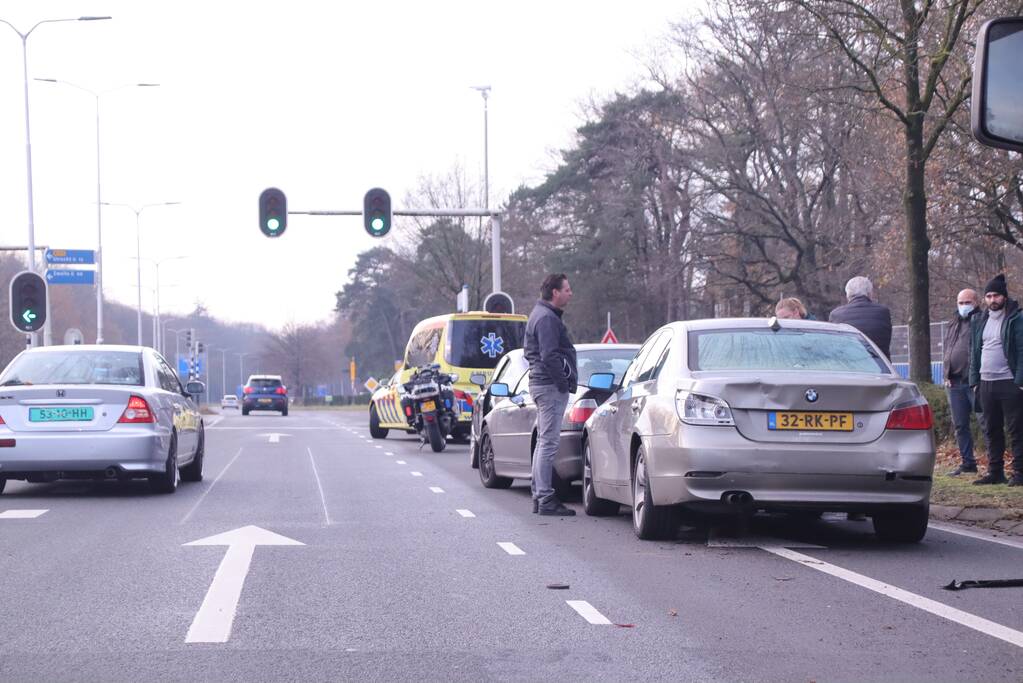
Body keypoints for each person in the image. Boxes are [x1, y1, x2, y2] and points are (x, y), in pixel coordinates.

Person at [524, 273, 578, 515]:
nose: (570, 293)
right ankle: (545, 498)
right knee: (548, 443)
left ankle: (540, 495)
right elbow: (549, 355)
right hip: (549, 386)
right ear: (555, 292)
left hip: (542, 384)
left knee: (543, 442)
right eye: (567, 289)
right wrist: (563, 383)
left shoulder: (541, 314)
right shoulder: (546, 319)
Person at [969, 274, 1023, 486]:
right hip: (985, 382)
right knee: (991, 429)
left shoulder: (1016, 319)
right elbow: (974, 352)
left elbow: (1021, 350)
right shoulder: (979, 320)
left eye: (996, 295)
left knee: (1016, 429)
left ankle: (1019, 472)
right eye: (989, 296)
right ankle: (995, 472)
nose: (992, 300)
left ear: (1004, 296)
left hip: (1009, 382)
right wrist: (974, 381)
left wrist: (1019, 381)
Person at [943, 289, 981, 476]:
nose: (964, 306)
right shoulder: (953, 323)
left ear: (976, 302)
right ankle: (968, 463)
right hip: (955, 383)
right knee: (960, 425)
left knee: (986, 423)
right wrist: (946, 373)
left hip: (975, 382)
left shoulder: (981, 321)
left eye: (968, 302)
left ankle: (995, 466)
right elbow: (948, 348)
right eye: (961, 302)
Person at [829, 276, 893, 359]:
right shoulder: (883, 312)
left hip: (849, 365)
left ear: (848, 295)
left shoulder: (836, 315)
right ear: (870, 293)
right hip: (879, 365)